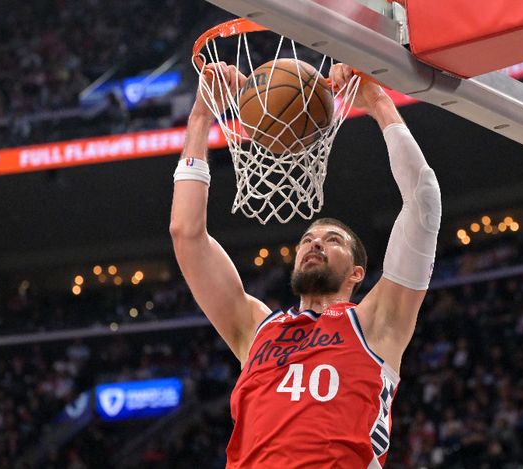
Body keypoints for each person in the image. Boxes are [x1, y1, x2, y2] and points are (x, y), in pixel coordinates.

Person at [170, 62, 442, 468]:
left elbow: (423, 202)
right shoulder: (254, 329)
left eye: (333, 240)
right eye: (308, 239)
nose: (315, 242)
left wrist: (376, 100)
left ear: (356, 273)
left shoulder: (377, 321)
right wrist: (200, 117)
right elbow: (186, 234)